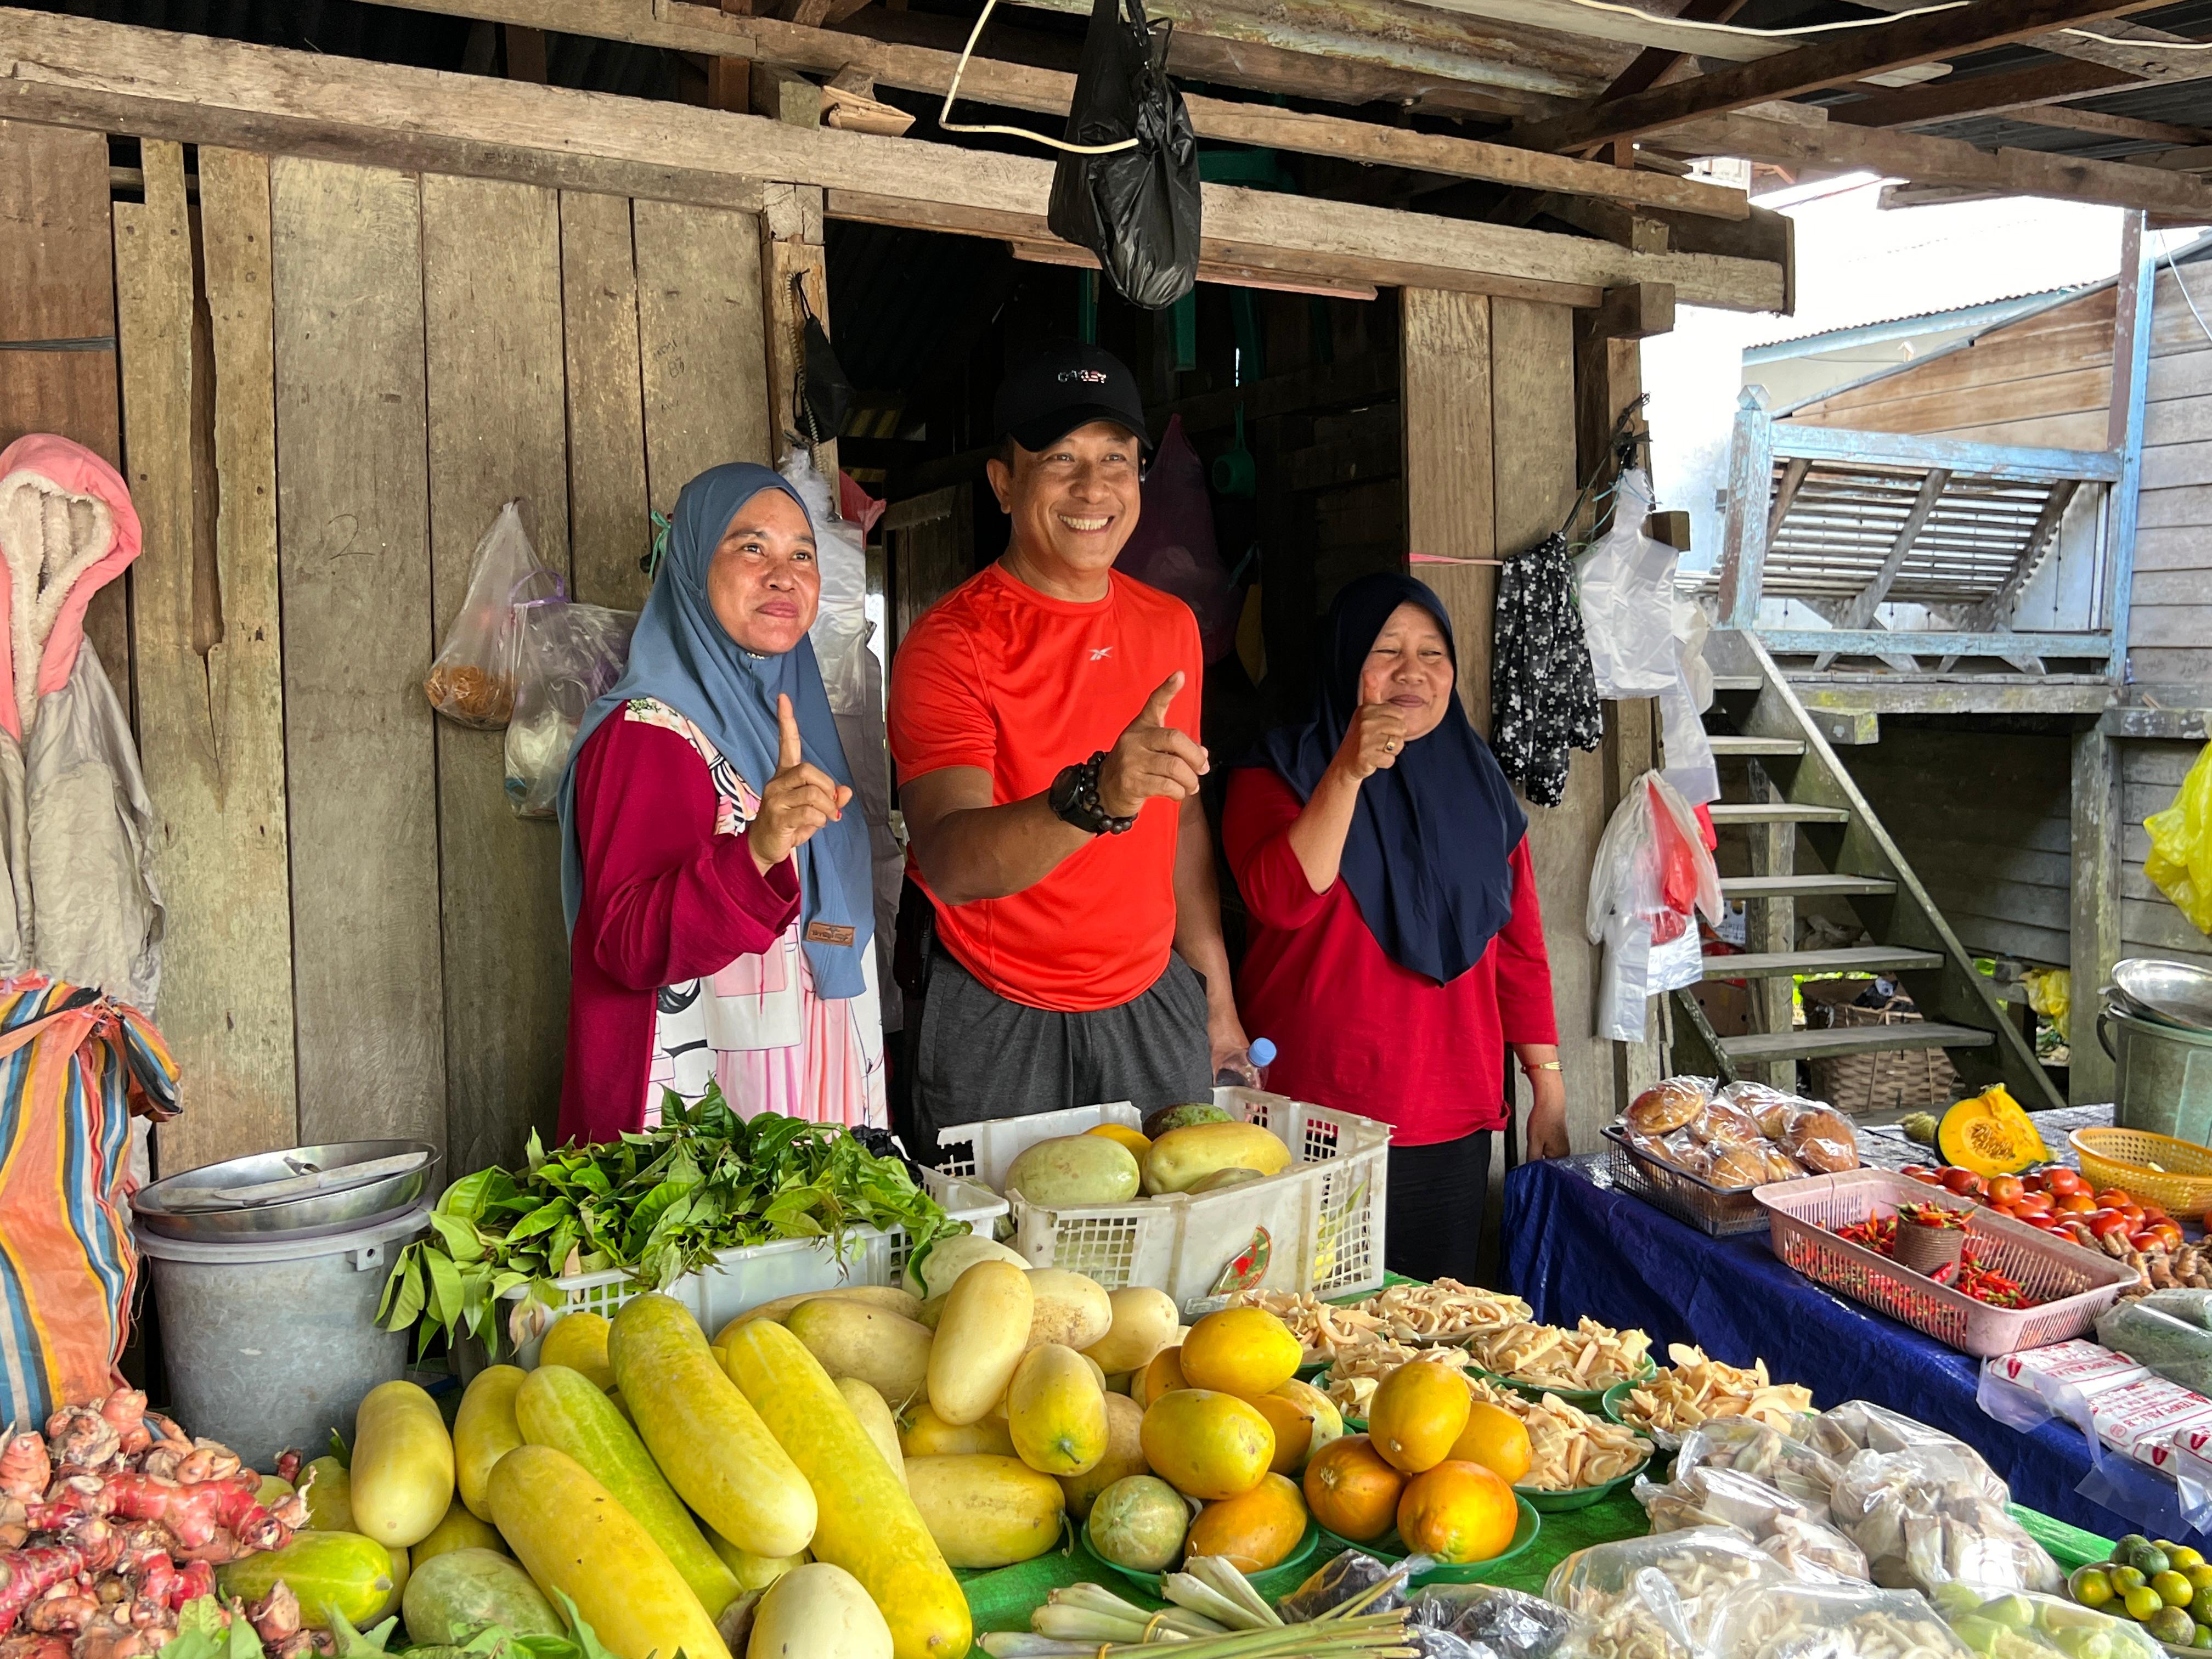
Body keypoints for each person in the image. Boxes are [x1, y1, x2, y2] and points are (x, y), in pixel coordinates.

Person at [889, 342, 1248, 1149]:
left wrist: (1217, 1000)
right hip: (999, 1005)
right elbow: (950, 859)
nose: (1093, 488)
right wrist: (1097, 797)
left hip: (1152, 997)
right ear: (1004, 483)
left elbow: (1182, 820)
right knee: (999, 1228)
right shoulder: (951, 643)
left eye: (1115, 458)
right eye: (1060, 459)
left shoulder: (1171, 626)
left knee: (1170, 1225)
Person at [1222, 572, 1564, 1284]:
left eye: (1433, 653)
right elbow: (1281, 899)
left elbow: (1520, 950)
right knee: (1304, 1323)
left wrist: (1548, 1085)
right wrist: (1347, 774)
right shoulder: (1277, 772)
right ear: (1347, 661)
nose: (1414, 671)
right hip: (1314, 1117)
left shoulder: (1484, 791)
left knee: (1429, 1331)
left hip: (1453, 1116)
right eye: (1387, 650)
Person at [556, 462, 884, 1144]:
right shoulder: (649, 732)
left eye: (802, 555)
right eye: (751, 547)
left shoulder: (800, 727)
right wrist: (757, 851)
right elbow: (627, 943)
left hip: (803, 1080)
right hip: (696, 1113)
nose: (783, 576)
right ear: (694, 565)